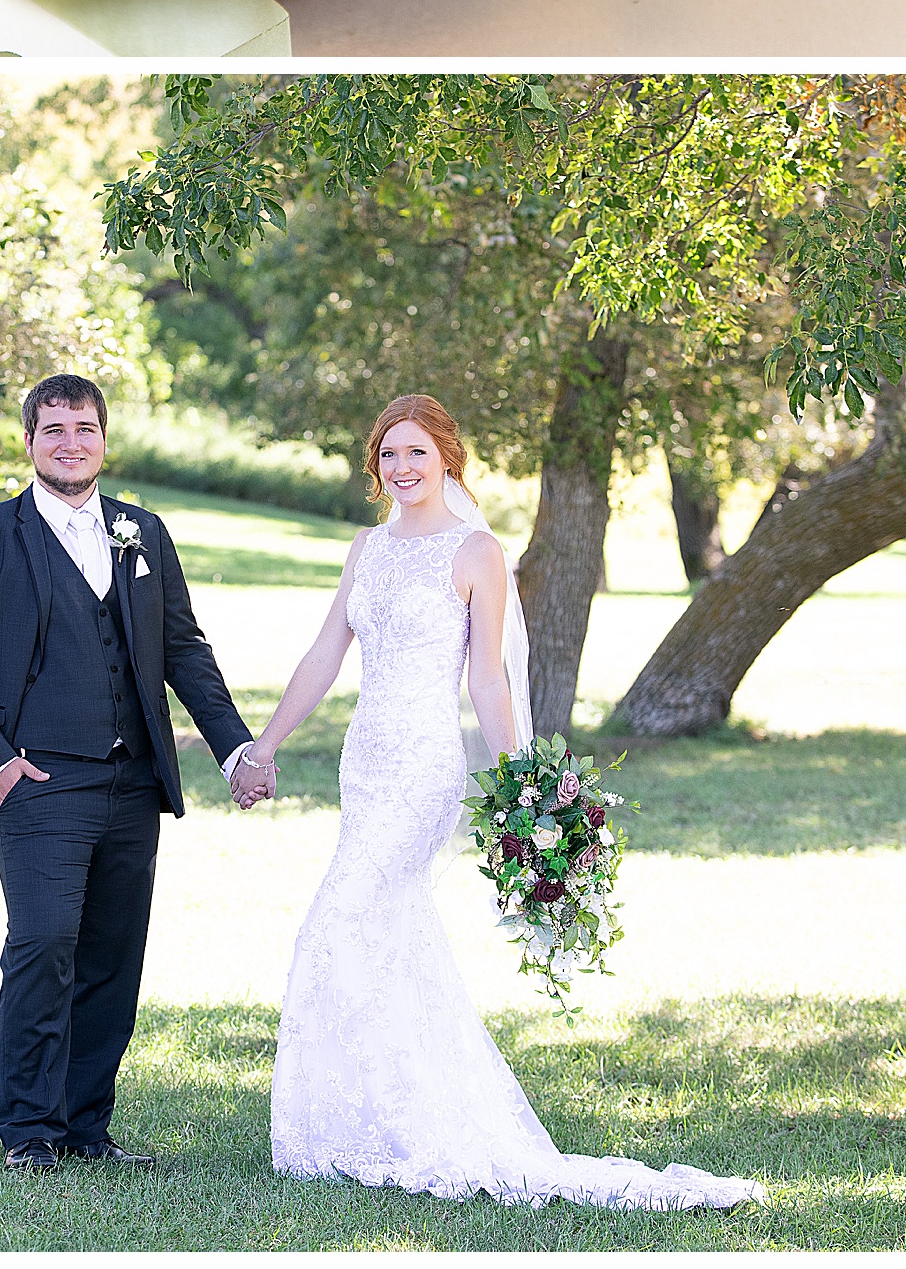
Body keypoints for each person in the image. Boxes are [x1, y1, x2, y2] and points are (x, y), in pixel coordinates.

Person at [230, 393, 762, 1212]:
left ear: (447, 455)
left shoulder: (475, 552)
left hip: (424, 768)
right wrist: (262, 746)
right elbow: (323, 655)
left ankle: (393, 1123)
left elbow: (488, 677)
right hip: (364, 764)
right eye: (387, 455)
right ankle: (369, 1122)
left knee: (340, 923)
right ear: (374, 465)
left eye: (416, 452)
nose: (401, 468)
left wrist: (522, 783)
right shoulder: (366, 549)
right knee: (387, 932)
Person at [0, 372, 267, 1174]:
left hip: (130, 784)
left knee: (113, 955)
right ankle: (28, 1129)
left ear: (103, 439)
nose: (70, 443)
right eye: (54, 430)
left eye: (84, 428)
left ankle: (85, 1127)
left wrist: (234, 748)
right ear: (30, 443)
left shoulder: (142, 532)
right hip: (35, 782)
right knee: (43, 941)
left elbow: (183, 649)